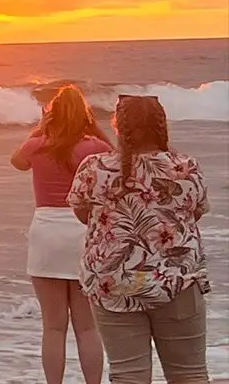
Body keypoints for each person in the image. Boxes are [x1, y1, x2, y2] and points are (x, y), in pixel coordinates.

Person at [67, 94, 211, 383]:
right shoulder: (185, 166)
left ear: (118, 126)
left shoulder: (94, 168)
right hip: (177, 281)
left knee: (127, 374)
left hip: (114, 284)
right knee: (189, 374)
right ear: (162, 125)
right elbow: (195, 213)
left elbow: (83, 215)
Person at [8, 85, 111, 384]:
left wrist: (41, 127)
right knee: (88, 327)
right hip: (83, 232)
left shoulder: (38, 144)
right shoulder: (94, 146)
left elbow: (17, 161)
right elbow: (114, 156)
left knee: (54, 327)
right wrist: (94, 127)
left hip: (47, 232)